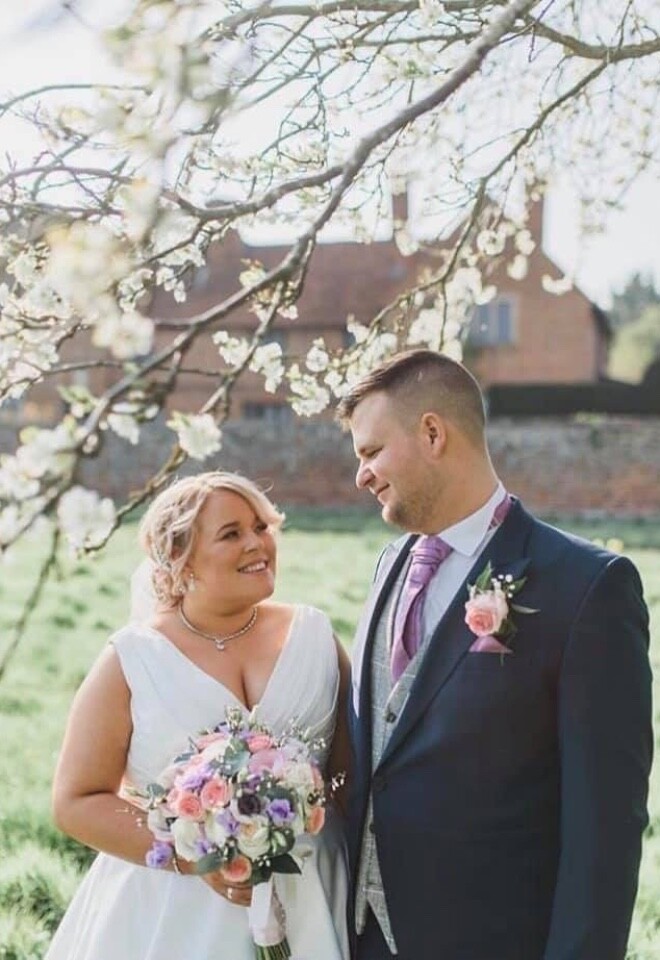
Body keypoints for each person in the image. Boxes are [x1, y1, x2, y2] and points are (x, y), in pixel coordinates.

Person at [336, 349, 652, 960]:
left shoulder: (587, 586)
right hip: (365, 937)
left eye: (371, 452)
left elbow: (606, 827)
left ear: (433, 433)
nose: (361, 476)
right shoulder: (389, 564)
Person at [46, 471, 351, 960]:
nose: (257, 543)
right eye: (231, 534)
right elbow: (75, 802)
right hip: (172, 913)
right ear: (181, 559)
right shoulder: (132, 659)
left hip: (311, 895)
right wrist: (193, 855)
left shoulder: (315, 636)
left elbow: (348, 776)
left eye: (261, 527)